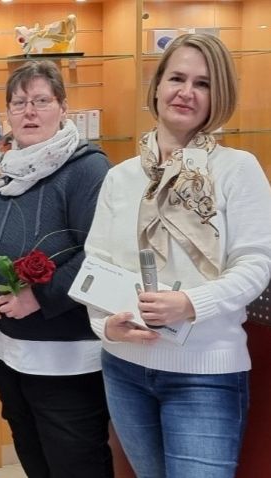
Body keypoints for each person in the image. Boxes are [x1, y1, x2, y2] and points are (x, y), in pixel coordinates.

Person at [85, 33, 271, 478]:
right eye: (177, 78)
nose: (186, 92)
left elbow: (256, 266)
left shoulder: (237, 168)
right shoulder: (121, 177)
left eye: (203, 83)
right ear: (157, 86)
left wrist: (190, 304)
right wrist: (102, 324)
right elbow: (97, 265)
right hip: (124, 366)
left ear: (217, 96)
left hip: (206, 374)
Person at [0, 61, 113, 477]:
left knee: (75, 459)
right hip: (8, 344)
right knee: (30, 448)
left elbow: (100, 254)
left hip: (66, 351)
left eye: (41, 101)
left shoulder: (87, 168)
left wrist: (38, 296)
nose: (29, 112)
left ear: (63, 107)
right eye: (19, 103)